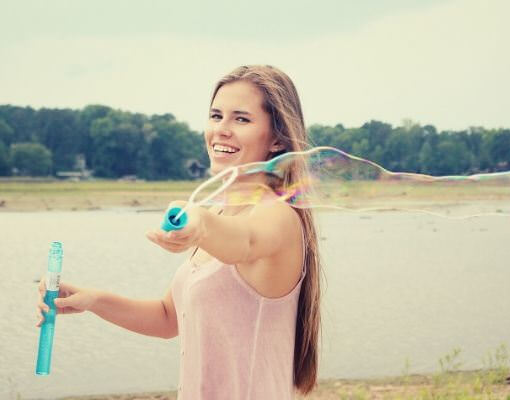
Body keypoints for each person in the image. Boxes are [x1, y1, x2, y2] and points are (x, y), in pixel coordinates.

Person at [36, 65, 322, 399]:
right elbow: (168, 317)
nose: (222, 130)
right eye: (216, 116)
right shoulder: (219, 214)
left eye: (241, 119)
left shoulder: (278, 217)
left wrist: (198, 223)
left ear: (277, 139)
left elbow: (244, 242)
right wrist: (92, 300)